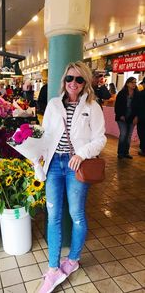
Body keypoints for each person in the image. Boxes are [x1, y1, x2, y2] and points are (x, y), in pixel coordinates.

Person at [39, 61, 106, 293]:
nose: (73, 83)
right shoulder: (54, 105)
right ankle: (53, 269)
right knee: (53, 216)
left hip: (76, 166)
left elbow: (100, 139)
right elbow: (45, 136)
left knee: (76, 214)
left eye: (79, 79)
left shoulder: (92, 106)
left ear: (85, 82)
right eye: (69, 78)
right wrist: (39, 161)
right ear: (64, 81)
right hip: (54, 166)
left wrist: (81, 153)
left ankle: (74, 259)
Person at [115, 77, 138, 159]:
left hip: (132, 117)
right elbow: (117, 106)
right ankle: (120, 153)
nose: (134, 84)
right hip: (122, 117)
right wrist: (121, 115)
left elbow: (139, 107)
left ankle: (126, 152)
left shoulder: (137, 94)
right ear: (127, 83)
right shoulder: (121, 93)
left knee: (129, 135)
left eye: (135, 82)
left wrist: (136, 116)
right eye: (132, 82)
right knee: (124, 134)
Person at [135, 77, 145, 156]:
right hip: (141, 117)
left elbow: (137, 106)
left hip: (142, 118)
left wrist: (136, 116)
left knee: (142, 133)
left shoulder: (141, 94)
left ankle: (143, 150)